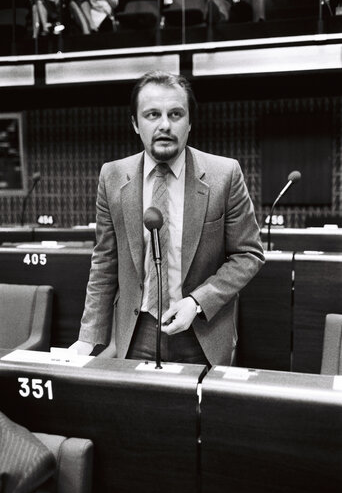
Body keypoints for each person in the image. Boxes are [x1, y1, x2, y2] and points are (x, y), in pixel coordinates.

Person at [70, 70, 264, 366]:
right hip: (137, 330)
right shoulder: (112, 176)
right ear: (136, 123)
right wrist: (88, 337)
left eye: (175, 114)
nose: (164, 125)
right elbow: (105, 261)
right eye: (152, 114)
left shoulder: (224, 175)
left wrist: (198, 302)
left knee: (200, 412)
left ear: (189, 123)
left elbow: (248, 254)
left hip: (203, 331)